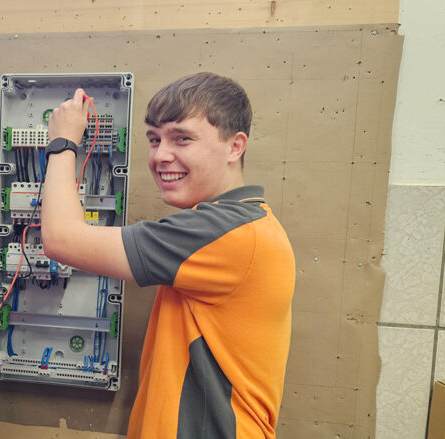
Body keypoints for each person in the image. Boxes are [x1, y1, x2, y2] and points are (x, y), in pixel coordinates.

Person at [40, 72, 295, 438]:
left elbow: (62, 240)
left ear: (235, 146)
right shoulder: (240, 222)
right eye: (154, 139)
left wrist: (63, 141)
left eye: (182, 139)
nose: (161, 155)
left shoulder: (227, 232)